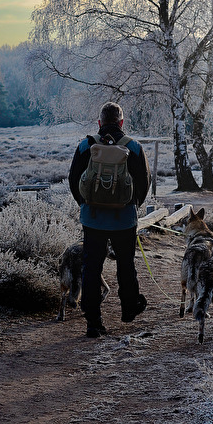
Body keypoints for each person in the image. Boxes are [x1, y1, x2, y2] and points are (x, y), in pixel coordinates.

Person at [69, 102, 151, 337]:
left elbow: (74, 179)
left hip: (92, 219)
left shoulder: (86, 146)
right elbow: (144, 182)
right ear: (121, 123)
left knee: (91, 267)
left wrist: (85, 205)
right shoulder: (134, 147)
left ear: (100, 123)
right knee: (126, 264)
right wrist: (133, 206)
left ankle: (93, 322)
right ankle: (128, 309)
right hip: (124, 219)